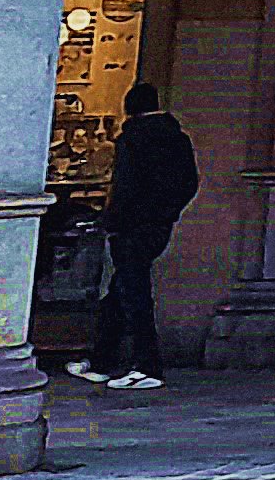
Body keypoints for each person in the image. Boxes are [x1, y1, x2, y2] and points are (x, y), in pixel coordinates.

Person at [81, 81, 199, 391]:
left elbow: (125, 187)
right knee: (122, 290)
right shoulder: (178, 140)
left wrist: (112, 221)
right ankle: (102, 360)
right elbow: (189, 183)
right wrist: (167, 212)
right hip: (157, 227)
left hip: (131, 227)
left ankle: (146, 365)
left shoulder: (132, 140)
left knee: (133, 295)